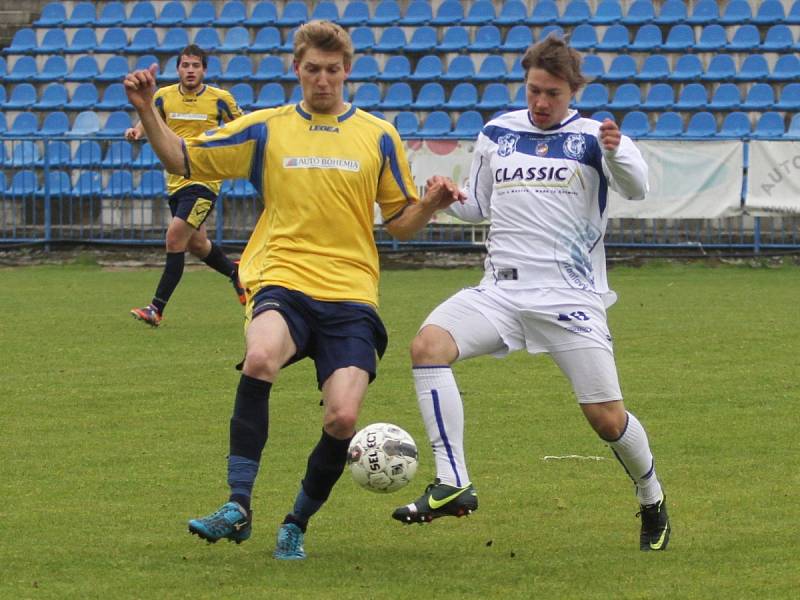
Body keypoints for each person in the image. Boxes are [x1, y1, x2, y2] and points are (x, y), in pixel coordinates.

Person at [124, 21, 462, 560]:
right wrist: (147, 110)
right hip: (283, 280)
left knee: (343, 419)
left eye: (332, 70)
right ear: (296, 68)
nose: (322, 80)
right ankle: (237, 506)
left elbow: (399, 221)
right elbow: (183, 160)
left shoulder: (377, 134)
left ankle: (296, 524)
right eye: (312, 70)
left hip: (351, 295)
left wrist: (430, 205)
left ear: (347, 71)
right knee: (259, 357)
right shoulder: (266, 129)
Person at [391, 35, 671, 552]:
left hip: (568, 298)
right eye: (534, 90)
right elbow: (478, 205)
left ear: (573, 92)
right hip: (500, 292)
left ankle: (651, 496)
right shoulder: (497, 131)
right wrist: (445, 199)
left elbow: (638, 189)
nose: (541, 102)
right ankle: (453, 482)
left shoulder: (595, 136)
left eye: (553, 94)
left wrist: (618, 152)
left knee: (606, 419)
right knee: (427, 346)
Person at [127, 44, 245, 327]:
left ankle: (156, 308)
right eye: (185, 65)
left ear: (204, 69)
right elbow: (149, 118)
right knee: (197, 243)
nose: (190, 70)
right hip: (176, 181)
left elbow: (243, 127)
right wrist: (136, 132)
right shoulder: (163, 96)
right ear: (178, 69)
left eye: (195, 65)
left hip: (205, 182)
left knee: (174, 238)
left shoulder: (220, 99)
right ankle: (236, 273)